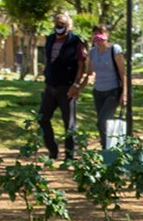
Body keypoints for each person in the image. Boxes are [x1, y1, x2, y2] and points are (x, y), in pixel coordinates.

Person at [37, 11, 89, 160]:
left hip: (67, 88)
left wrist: (76, 84)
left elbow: (81, 65)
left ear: (69, 26)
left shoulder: (76, 42)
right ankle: (52, 151)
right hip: (50, 86)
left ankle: (70, 155)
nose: (59, 27)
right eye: (57, 24)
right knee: (42, 118)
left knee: (69, 124)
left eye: (63, 24)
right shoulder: (50, 39)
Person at [86, 23, 126, 149]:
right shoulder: (92, 52)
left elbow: (123, 72)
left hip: (113, 91)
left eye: (101, 33)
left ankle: (110, 148)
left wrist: (124, 93)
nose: (98, 36)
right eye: (95, 33)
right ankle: (106, 148)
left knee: (102, 121)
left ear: (107, 35)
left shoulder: (115, 50)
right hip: (98, 91)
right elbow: (89, 72)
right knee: (102, 123)